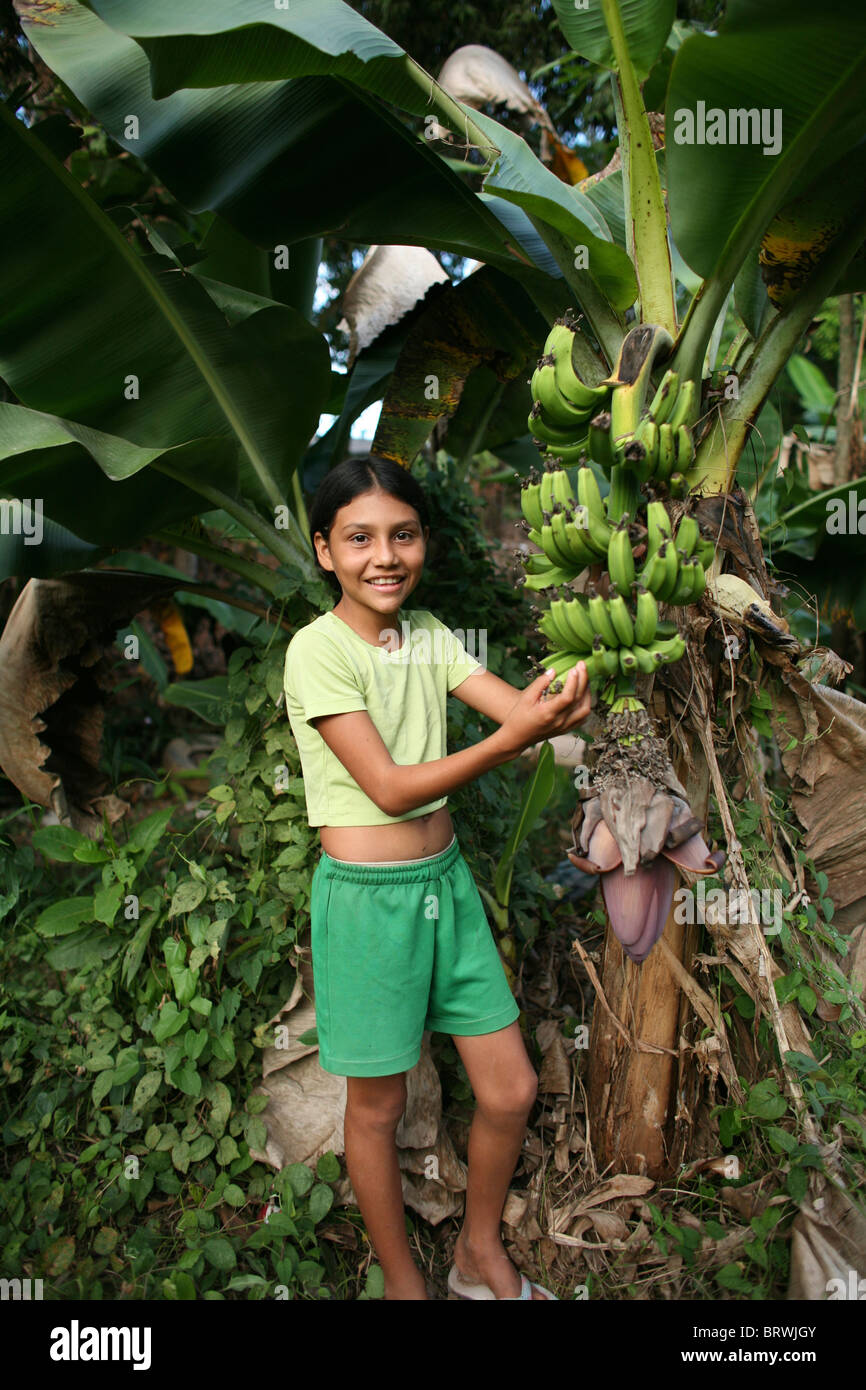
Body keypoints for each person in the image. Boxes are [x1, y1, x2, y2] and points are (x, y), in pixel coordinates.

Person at [283, 455, 591, 1301]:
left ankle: (476, 1254)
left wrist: (567, 693)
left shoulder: (428, 636)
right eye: (360, 538)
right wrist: (510, 739)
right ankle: (402, 1286)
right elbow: (385, 787)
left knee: (511, 1087)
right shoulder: (316, 653)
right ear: (324, 552)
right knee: (377, 1109)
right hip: (368, 907)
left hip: (446, 887)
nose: (385, 556)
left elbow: (511, 706)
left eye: (403, 535)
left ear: (423, 543)